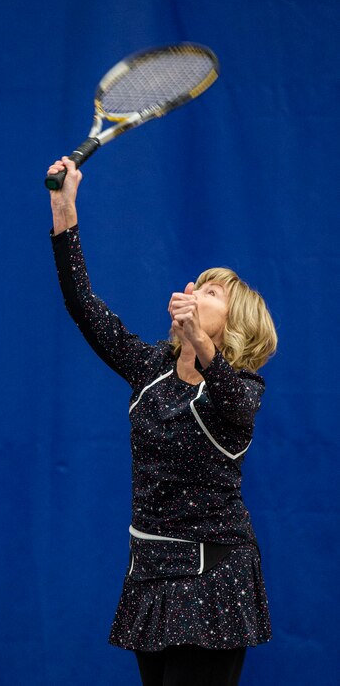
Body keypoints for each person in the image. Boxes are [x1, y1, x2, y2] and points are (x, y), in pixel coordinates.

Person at [47, 157, 278, 686]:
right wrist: (65, 212)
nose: (196, 289)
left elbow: (234, 408)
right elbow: (83, 305)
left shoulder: (243, 388)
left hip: (215, 577)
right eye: (197, 283)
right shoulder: (150, 367)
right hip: (149, 573)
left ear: (233, 324)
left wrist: (200, 343)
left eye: (212, 291)